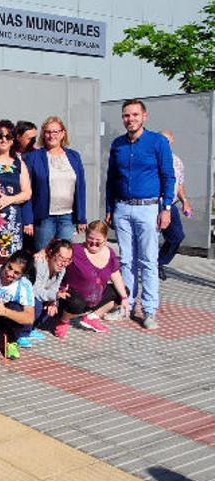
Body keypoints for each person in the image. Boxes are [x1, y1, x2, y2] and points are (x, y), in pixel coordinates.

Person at [105, 99, 174, 330]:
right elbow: (111, 179)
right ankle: (126, 305)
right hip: (122, 208)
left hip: (148, 208)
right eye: (126, 115)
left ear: (144, 116)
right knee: (126, 260)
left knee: (148, 261)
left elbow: (168, 177)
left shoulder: (158, 142)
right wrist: (109, 209)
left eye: (135, 114)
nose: (130, 119)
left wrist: (166, 209)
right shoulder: (118, 145)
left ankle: (149, 310)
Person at [22, 116, 87, 251]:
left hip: (67, 217)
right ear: (43, 134)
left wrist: (81, 218)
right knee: (42, 256)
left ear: (63, 133)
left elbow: (80, 188)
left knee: (64, 257)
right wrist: (28, 220)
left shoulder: (74, 156)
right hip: (44, 219)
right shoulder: (33, 158)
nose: (51, 135)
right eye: (48, 132)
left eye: (55, 132)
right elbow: (27, 190)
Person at [56, 220, 131, 337]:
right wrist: (42, 252)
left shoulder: (110, 253)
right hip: (71, 298)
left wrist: (125, 298)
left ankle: (92, 317)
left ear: (105, 239)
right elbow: (56, 248)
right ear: (85, 236)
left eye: (98, 241)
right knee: (77, 303)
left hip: (95, 297)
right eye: (90, 239)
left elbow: (115, 274)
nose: (93, 243)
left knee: (123, 292)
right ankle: (64, 321)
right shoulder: (76, 250)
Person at [0, 120, 31, 263]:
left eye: (8, 136)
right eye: (0, 136)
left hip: (11, 220)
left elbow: (27, 193)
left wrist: (8, 199)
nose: (4, 139)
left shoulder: (19, 163)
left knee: (10, 261)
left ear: (13, 140)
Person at [17, 239, 73, 347]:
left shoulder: (62, 269)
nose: (63, 263)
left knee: (51, 307)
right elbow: (35, 291)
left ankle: (31, 328)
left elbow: (55, 287)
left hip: (39, 296)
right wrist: (54, 296)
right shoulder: (40, 264)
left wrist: (53, 301)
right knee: (37, 304)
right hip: (21, 297)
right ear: (51, 253)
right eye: (61, 258)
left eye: (68, 260)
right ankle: (21, 333)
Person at [157, 130, 192, 280]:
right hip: (153, 204)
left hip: (170, 205)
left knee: (176, 236)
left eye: (168, 141)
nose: (166, 144)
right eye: (163, 141)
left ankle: (159, 262)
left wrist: (185, 202)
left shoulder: (176, 161)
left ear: (172, 143)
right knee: (151, 237)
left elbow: (179, 185)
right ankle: (148, 267)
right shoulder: (152, 158)